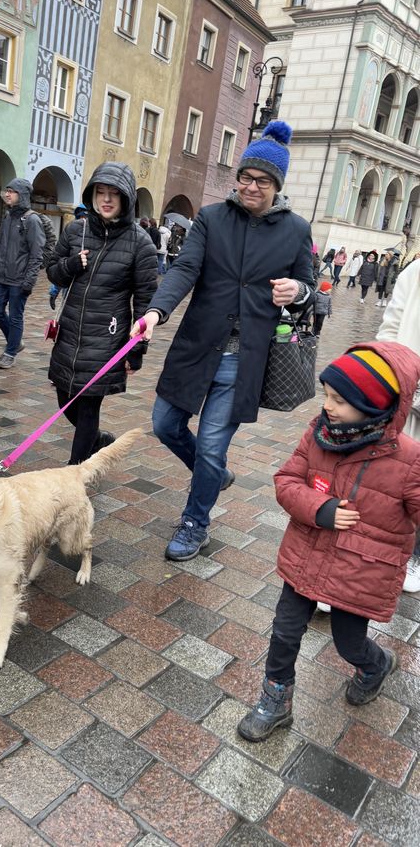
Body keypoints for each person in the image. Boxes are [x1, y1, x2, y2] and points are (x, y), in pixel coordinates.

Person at [133, 120, 314, 561]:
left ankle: (196, 522)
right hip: (196, 347)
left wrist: (299, 292)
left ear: (277, 185)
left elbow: (311, 293)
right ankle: (212, 473)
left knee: (213, 445)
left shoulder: (296, 229)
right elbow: (183, 270)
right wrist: (156, 311)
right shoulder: (211, 219)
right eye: (247, 177)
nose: (252, 187)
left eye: (264, 181)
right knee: (164, 425)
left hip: (244, 358)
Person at [237, 343, 420, 742]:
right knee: (284, 633)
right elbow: (287, 481)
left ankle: (375, 664)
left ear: (375, 404)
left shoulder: (409, 460)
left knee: (348, 641)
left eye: (339, 399)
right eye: (326, 395)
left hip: (360, 572)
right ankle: (276, 699)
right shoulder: (318, 434)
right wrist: (318, 507)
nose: (328, 406)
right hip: (306, 556)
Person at [47, 162, 157, 464]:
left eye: (114, 194)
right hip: (70, 333)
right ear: (92, 195)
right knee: (65, 399)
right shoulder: (75, 230)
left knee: (88, 406)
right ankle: (96, 440)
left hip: (107, 337)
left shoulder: (140, 242)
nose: (106, 199)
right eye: (101, 192)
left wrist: (137, 350)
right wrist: (71, 265)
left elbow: (146, 300)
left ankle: (75, 475)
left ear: (126, 199)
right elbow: (54, 273)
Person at [377, 258, 420, 593]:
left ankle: (416, 555)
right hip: (407, 392)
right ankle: (369, 558)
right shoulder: (415, 273)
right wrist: (401, 377)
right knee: (389, 478)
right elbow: (390, 331)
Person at [0, 178, 44, 369]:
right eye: (7, 190)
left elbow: (37, 254)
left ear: (23, 195)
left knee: (16, 315)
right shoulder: (8, 217)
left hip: (19, 279)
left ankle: (10, 352)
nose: (7, 194)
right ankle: (15, 342)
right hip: (2, 276)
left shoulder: (32, 220)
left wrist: (30, 281)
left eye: (12, 191)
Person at [49, 204, 87, 310]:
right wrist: (54, 292)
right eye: (81, 218)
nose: (83, 221)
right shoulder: (71, 237)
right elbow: (62, 266)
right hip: (70, 287)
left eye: (86, 218)